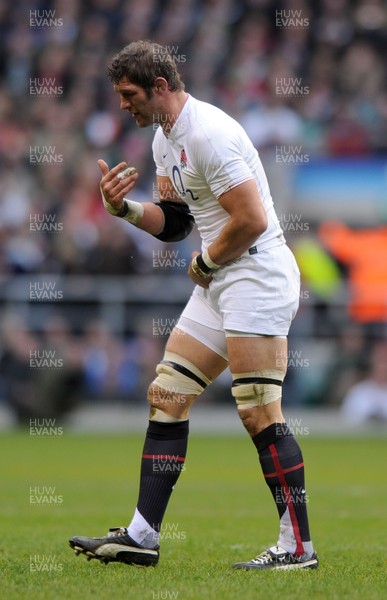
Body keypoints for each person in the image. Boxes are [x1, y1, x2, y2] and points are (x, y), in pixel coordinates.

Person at [69, 40, 318, 571]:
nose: (123, 106)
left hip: (255, 271)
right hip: (223, 274)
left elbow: (249, 218)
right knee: (167, 392)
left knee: (257, 411)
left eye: (129, 94)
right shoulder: (165, 139)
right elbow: (178, 222)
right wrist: (125, 209)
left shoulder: (209, 133)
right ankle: (142, 535)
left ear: (160, 87)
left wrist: (205, 264)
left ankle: (298, 546)